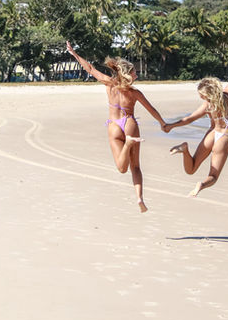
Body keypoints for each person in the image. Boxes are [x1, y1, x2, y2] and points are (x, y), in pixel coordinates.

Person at [66, 41, 166, 212]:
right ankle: (139, 197)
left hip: (114, 125)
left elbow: (90, 68)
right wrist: (163, 123)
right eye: (134, 72)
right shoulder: (135, 93)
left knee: (122, 168)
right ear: (127, 74)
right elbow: (152, 110)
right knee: (135, 167)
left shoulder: (109, 84)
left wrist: (74, 54)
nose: (136, 75)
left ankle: (127, 145)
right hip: (129, 123)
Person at [163, 40, 228, 197]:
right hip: (224, 137)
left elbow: (189, 119)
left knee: (191, 169)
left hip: (212, 134)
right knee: (213, 176)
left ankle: (185, 150)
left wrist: (171, 125)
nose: (201, 98)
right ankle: (202, 185)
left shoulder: (207, 106)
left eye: (202, 95)